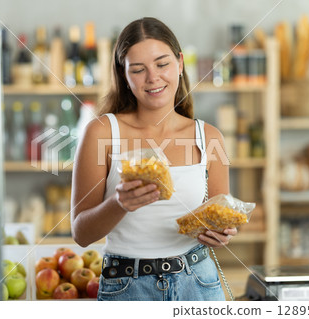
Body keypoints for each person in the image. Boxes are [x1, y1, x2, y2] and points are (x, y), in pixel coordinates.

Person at [71, 17, 237, 301]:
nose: (153, 78)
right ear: (124, 74)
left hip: (198, 284)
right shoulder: (102, 132)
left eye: (162, 64)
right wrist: (119, 204)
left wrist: (221, 234)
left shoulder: (208, 137)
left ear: (180, 63)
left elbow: (221, 217)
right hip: (127, 287)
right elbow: (81, 233)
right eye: (138, 69)